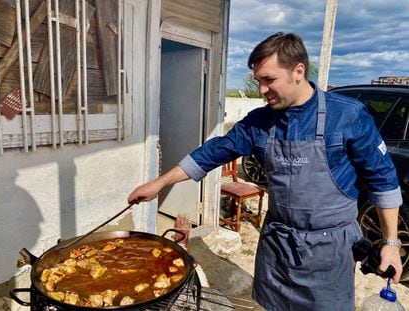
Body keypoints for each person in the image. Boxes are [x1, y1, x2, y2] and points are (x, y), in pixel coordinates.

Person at [128, 32, 403, 310]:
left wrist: (391, 242)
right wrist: (159, 183)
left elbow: (383, 179)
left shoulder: (347, 115)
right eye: (258, 81)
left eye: (269, 80)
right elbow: (213, 152)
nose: (261, 90)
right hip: (277, 244)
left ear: (298, 71)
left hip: (329, 251)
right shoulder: (259, 121)